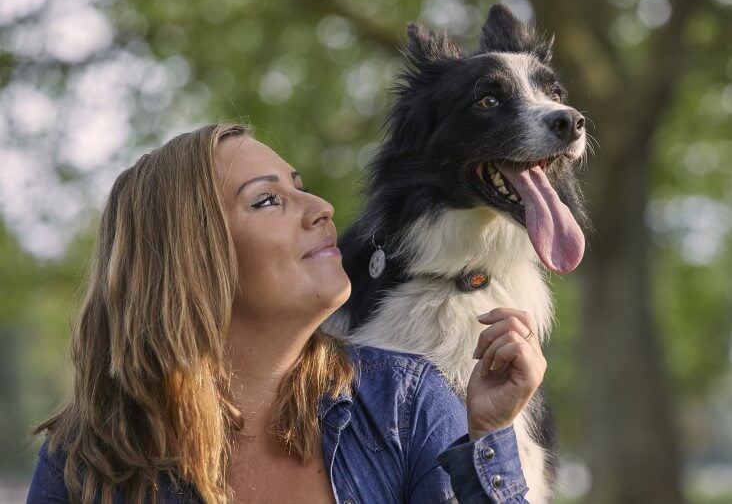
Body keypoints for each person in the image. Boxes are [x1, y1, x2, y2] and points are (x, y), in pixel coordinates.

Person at [27, 123, 547, 503]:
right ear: (192, 259)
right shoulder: (86, 461)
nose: (320, 206)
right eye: (267, 201)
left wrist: (489, 435)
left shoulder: (405, 406)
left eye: (298, 185)